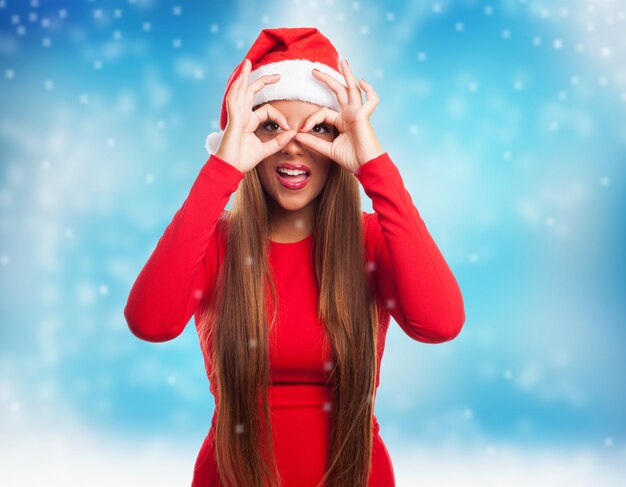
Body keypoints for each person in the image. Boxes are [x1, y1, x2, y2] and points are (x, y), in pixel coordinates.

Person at [124, 27, 465, 487]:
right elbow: (150, 322)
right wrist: (222, 171)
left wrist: (373, 166)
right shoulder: (214, 240)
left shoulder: (370, 241)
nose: (293, 145)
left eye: (320, 129)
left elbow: (440, 323)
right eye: (270, 126)